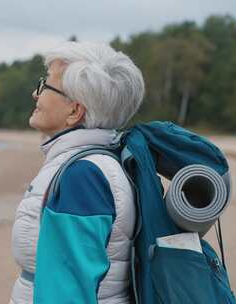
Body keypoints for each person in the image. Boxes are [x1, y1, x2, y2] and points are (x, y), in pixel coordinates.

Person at [10, 42, 145, 304]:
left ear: (75, 111)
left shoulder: (83, 177)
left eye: (45, 85)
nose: (35, 93)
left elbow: (68, 294)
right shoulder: (95, 165)